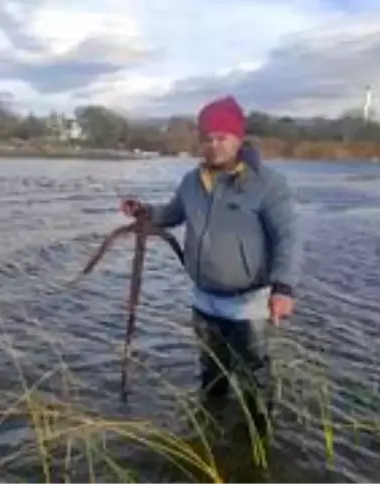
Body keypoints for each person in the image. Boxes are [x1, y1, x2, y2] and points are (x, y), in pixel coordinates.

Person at [120, 95, 300, 439]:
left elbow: (288, 238)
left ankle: (257, 442)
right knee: (212, 374)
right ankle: (209, 433)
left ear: (238, 138)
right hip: (204, 299)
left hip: (248, 302)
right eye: (207, 137)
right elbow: (172, 215)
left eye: (222, 137)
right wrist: (145, 212)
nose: (214, 145)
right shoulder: (191, 182)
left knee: (253, 378)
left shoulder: (268, 184)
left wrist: (283, 288)